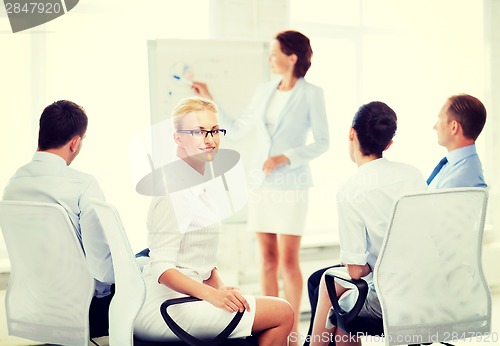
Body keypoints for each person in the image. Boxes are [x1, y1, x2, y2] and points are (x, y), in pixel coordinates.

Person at [192, 30, 329, 342]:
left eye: (274, 52)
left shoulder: (312, 94)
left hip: (292, 185)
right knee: (266, 258)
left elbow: (322, 142)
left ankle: (291, 331)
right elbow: (239, 129)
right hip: (262, 184)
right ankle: (273, 324)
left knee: (288, 260)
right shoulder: (265, 90)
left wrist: (286, 157)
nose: (270, 58)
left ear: (292, 57)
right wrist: (210, 97)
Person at [133, 97, 294, 346]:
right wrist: (212, 296)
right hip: (165, 306)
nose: (210, 139)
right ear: (178, 138)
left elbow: (200, 259)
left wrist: (221, 288)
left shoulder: (201, 184)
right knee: (282, 312)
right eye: (198, 132)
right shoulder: (172, 191)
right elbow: (161, 268)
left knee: (267, 310)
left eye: (214, 130)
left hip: (188, 298)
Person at [306, 101, 426, 346]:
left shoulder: (351, 189)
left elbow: (355, 271)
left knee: (331, 289)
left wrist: (360, 261)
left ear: (351, 133)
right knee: (339, 313)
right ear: (389, 143)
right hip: (428, 291)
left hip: (391, 300)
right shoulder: (413, 174)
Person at [2, 100, 114, 338]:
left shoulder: (13, 184)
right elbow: (102, 271)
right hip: (83, 312)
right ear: (75, 143)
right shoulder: (84, 185)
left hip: (34, 307)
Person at [427, 94, 487, 188]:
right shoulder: (454, 166)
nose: (435, 126)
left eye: (439, 119)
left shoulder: (458, 181)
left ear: (454, 127)